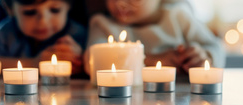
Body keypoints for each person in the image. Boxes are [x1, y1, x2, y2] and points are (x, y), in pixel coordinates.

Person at [84, 0, 225, 74]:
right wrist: (153, 60)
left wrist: (205, 57)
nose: (120, 2)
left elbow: (215, 46)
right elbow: (92, 61)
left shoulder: (178, 16)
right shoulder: (102, 24)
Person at [0, 0, 87, 75]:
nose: (43, 22)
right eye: (29, 12)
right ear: (9, 9)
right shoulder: (6, 33)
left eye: (55, 10)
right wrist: (34, 64)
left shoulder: (77, 34)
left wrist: (81, 61)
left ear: (69, 5)